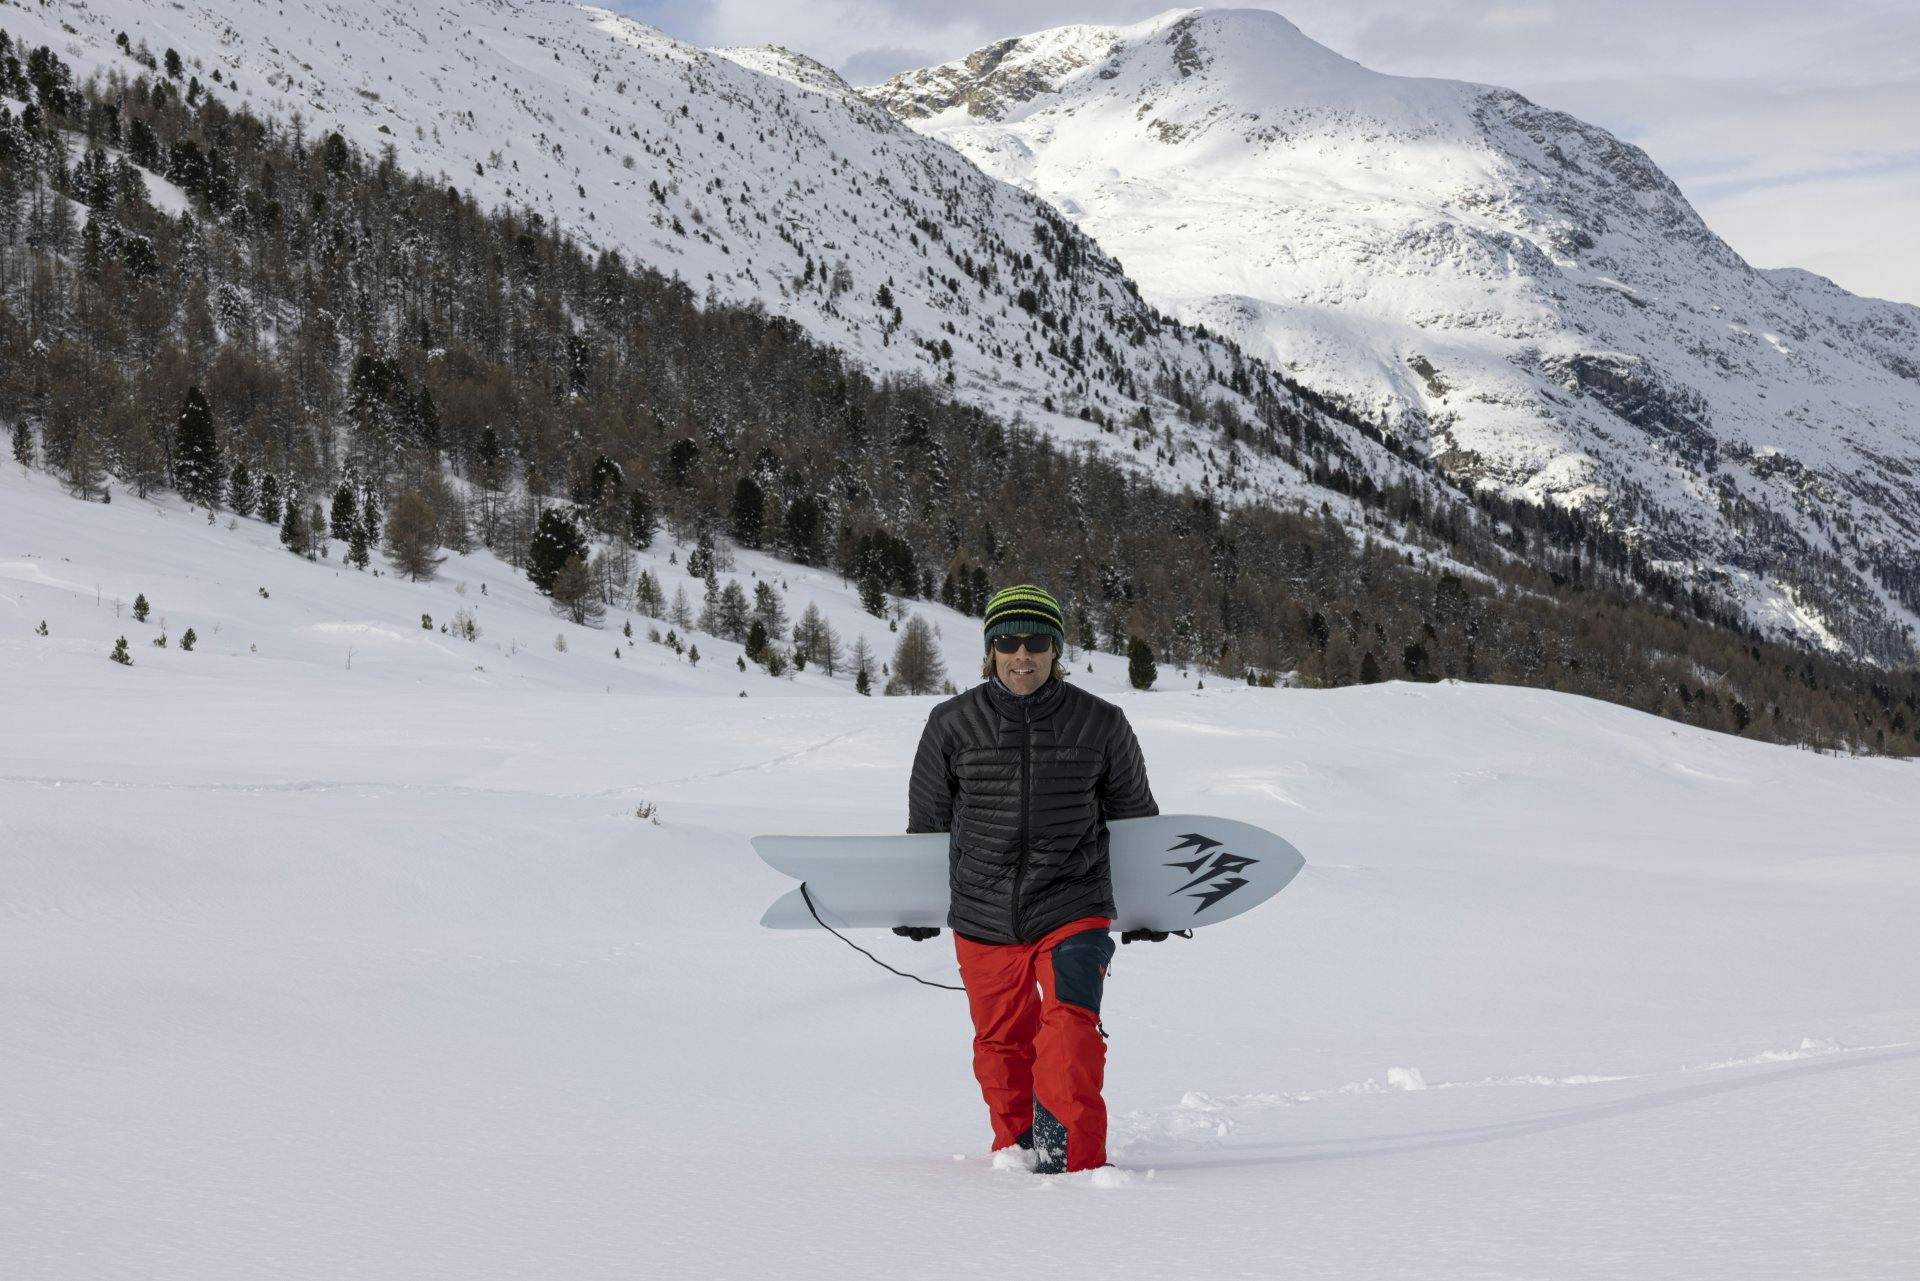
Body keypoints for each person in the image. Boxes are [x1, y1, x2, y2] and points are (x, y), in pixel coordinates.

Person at [904, 583, 1159, 1174]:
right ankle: (1019, 1152)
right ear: (990, 649)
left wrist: (1154, 908)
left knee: (1069, 1030)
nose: (1023, 655)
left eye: (1038, 642)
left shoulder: (1101, 722)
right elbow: (927, 826)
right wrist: (914, 906)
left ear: (1056, 649)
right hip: (981, 909)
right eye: (1009, 642)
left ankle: (1071, 1163)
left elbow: (1136, 821)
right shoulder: (950, 723)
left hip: (1072, 902)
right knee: (1000, 1045)